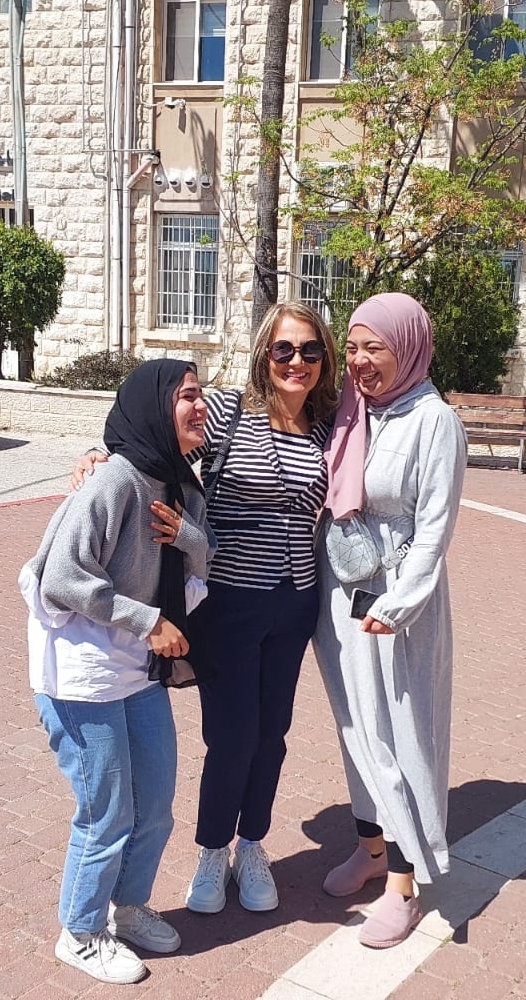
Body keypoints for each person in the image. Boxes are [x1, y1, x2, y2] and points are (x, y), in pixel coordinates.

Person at [71, 302, 338, 916]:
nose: (297, 362)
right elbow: (151, 425)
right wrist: (98, 453)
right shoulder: (228, 412)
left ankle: (252, 845)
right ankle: (213, 849)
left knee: (271, 735)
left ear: (323, 359)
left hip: (296, 601)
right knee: (232, 735)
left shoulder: (328, 428)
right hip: (228, 602)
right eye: (284, 349)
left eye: (310, 350)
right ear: (264, 354)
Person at [19, 359, 215, 985]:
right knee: (106, 812)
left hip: (134, 670)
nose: (200, 406)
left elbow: (202, 554)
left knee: (153, 804)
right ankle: (80, 932)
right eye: (188, 395)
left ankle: (127, 910)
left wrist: (189, 537)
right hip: (82, 674)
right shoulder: (113, 480)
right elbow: (61, 577)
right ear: (155, 407)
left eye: (202, 394)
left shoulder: (180, 483)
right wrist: (148, 620)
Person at [315, 292, 467, 949]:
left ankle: (404, 883)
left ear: (407, 347)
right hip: (339, 594)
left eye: (373, 347)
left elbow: (434, 530)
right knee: (355, 725)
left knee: (400, 732)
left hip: (395, 602)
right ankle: (371, 846)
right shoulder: (352, 411)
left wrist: (398, 606)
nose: (358, 360)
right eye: (351, 346)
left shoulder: (435, 422)